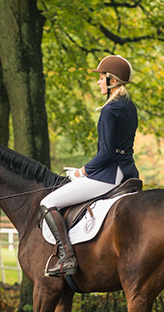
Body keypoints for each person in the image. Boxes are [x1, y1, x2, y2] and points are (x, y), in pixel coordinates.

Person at [40, 55, 140, 277]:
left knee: (48, 202)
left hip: (108, 176)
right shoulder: (129, 107)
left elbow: (105, 154)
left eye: (102, 77)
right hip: (128, 173)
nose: (98, 82)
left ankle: (66, 257)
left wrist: (81, 171)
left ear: (112, 81)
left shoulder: (109, 110)